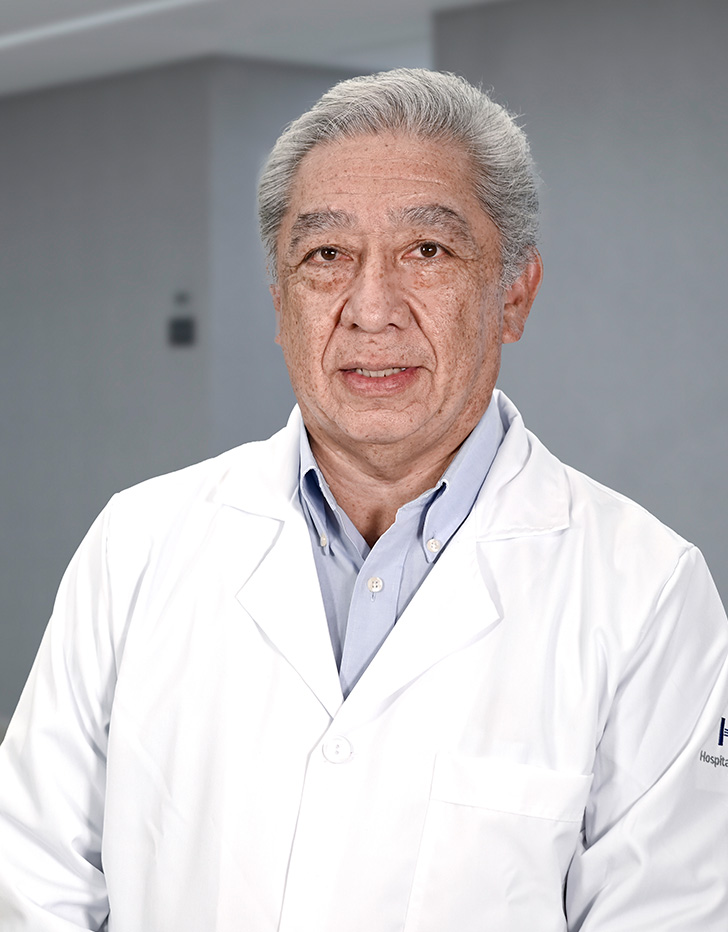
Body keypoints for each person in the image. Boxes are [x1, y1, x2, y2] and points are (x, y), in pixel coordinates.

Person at [0, 68, 726, 932]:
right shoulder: (139, 544)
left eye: (429, 251)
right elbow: (33, 880)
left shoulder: (645, 592)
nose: (371, 309)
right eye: (326, 256)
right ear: (280, 304)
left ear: (515, 295)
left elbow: (669, 914)